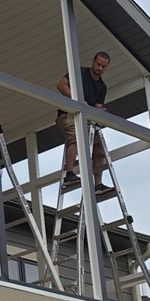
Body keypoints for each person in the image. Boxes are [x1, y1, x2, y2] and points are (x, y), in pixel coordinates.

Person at [56, 51, 112, 195]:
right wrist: (76, 100)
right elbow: (61, 85)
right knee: (74, 138)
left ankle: (98, 184)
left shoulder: (102, 87)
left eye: (103, 66)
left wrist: (100, 111)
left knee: (99, 147)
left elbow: (97, 107)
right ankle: (69, 174)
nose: (100, 68)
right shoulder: (80, 72)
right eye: (98, 64)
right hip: (68, 115)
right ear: (93, 61)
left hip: (85, 120)